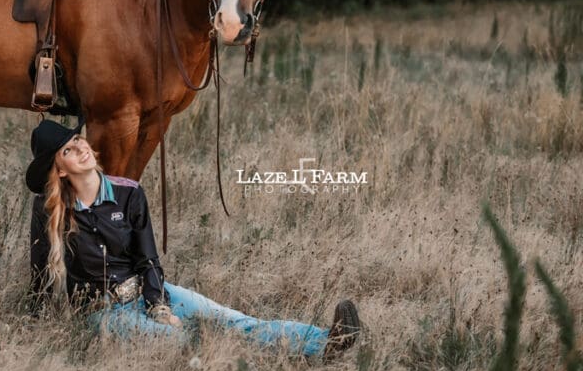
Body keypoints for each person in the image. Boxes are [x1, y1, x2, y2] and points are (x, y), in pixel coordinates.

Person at [26, 119, 360, 358]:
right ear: (61, 170)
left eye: (78, 140)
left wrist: (157, 305)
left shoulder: (128, 194)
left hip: (147, 291)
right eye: (69, 150)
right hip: (102, 312)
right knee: (177, 342)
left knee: (232, 321)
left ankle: (327, 342)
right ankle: (214, 353)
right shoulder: (50, 209)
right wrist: (35, 319)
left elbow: (147, 259)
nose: (81, 148)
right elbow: (40, 269)